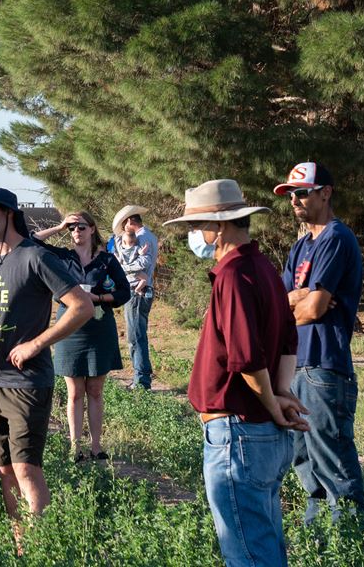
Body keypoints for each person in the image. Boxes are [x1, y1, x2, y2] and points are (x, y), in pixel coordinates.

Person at [165, 179, 308, 567]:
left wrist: (274, 404)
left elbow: (245, 357)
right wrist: (280, 393)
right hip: (259, 432)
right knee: (265, 542)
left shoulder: (232, 274)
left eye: (197, 226)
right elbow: (288, 341)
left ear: (221, 225)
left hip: (237, 432)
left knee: (246, 552)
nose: (195, 235)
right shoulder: (263, 268)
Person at [0, 188, 92, 544]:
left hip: (26, 384)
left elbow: (81, 307)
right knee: (4, 471)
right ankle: (21, 545)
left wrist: (37, 343)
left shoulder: (36, 257)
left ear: (9, 214)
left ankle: (40, 548)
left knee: (27, 469)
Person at [278, 161, 364, 524]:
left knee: (334, 468)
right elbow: (278, 304)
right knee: (305, 465)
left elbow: (314, 309)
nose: (295, 201)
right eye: (291, 195)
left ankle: (351, 550)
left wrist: (303, 301)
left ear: (325, 193)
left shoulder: (336, 237)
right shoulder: (302, 245)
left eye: (302, 193)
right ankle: (320, 548)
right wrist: (301, 298)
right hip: (296, 366)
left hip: (324, 368)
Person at [52, 210, 129, 462]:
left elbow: (124, 292)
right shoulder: (62, 257)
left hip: (98, 325)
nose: (76, 231)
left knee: (95, 390)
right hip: (69, 327)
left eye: (81, 227)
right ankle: (76, 448)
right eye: (72, 228)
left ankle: (96, 447)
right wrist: (59, 226)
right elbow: (31, 241)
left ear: (92, 229)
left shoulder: (106, 260)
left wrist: (97, 298)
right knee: (74, 391)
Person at [108, 205, 159, 390]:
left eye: (124, 225)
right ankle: (143, 375)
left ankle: (141, 381)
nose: (123, 230)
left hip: (137, 291)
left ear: (130, 221)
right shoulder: (150, 236)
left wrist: (120, 266)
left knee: (135, 337)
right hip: (142, 289)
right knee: (137, 335)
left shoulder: (142, 238)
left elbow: (140, 264)